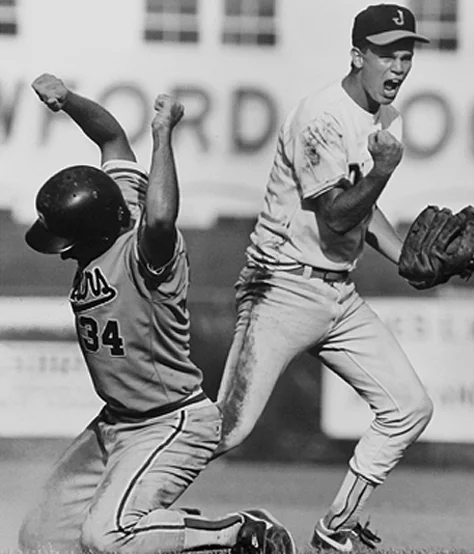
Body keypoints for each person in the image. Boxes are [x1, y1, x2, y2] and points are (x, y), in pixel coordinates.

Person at [19, 73, 296, 554]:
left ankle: (246, 534)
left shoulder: (145, 257)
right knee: (39, 538)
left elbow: (162, 218)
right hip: (116, 424)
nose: (62, 253)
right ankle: (169, 530)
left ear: (95, 230)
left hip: (169, 423)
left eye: (66, 241)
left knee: (106, 537)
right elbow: (112, 137)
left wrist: (164, 134)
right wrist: (67, 101)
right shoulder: (117, 203)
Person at [214, 4, 434, 552]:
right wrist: (383, 171)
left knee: (409, 407)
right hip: (281, 286)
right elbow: (336, 212)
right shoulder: (322, 115)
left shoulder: (386, 117)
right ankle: (129, 511)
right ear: (358, 56)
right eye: (387, 53)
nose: (399, 65)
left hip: (338, 291)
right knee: (226, 430)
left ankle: (335, 531)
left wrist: (405, 255)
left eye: (406, 54)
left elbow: (362, 210)